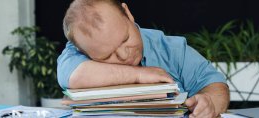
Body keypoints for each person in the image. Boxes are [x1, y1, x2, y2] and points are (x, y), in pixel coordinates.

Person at [58, 0, 230, 117]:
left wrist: (209, 104)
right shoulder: (76, 53)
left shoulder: (172, 50)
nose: (125, 55)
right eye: (107, 56)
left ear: (128, 13)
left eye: (125, 39)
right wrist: (139, 75)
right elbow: (74, 74)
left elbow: (215, 85)